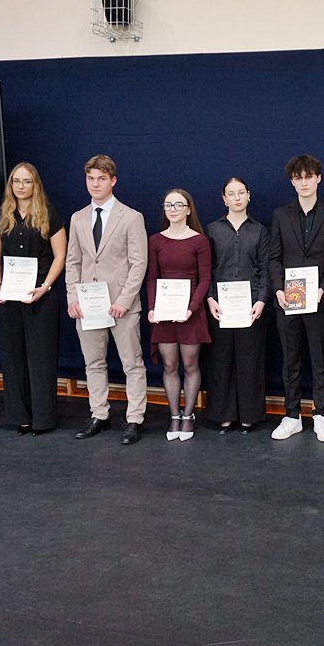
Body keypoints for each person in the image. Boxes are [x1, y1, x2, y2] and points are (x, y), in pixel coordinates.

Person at [65, 154, 149, 445]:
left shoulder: (131, 217)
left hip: (122, 304)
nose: (95, 184)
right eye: (90, 178)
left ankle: (134, 419)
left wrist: (124, 300)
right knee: (93, 363)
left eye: (101, 178)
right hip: (88, 303)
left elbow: (139, 263)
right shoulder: (78, 218)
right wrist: (72, 297)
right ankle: (99, 414)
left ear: (113, 180)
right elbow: (73, 261)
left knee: (132, 364)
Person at [268, 154, 324, 442]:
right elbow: (274, 258)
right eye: (298, 178)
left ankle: (321, 415)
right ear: (292, 181)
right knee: (290, 360)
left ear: (318, 178)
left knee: (320, 359)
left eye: (308, 177)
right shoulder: (280, 215)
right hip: (287, 301)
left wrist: (323, 288)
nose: (304, 183)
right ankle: (292, 416)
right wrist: (278, 289)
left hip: (319, 300)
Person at [0, 162, 67, 436]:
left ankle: (42, 419)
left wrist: (45, 286)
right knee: (14, 357)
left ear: (36, 185)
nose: (21, 186)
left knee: (41, 357)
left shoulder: (49, 214)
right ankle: (20, 417)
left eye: (26, 181)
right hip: (10, 298)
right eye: (16, 181)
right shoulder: (2, 215)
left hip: (42, 297)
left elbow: (60, 255)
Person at [205, 177, 270, 435]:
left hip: (251, 306)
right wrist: (210, 298)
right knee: (221, 361)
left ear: (248, 195)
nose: (237, 198)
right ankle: (224, 415)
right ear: (224, 199)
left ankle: (249, 416)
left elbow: (265, 269)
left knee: (250, 361)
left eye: (241, 192)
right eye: (231, 194)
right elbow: (207, 269)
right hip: (220, 306)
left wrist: (262, 300)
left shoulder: (260, 231)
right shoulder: (212, 229)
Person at [146, 188, 211, 441]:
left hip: (190, 313)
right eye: (168, 205)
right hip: (164, 313)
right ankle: (174, 415)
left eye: (178, 205)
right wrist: (152, 308)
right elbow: (152, 277)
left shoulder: (199, 241)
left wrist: (191, 308)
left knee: (190, 364)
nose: (173, 209)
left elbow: (204, 279)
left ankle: (188, 415)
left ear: (188, 209)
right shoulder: (155, 241)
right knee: (170, 365)